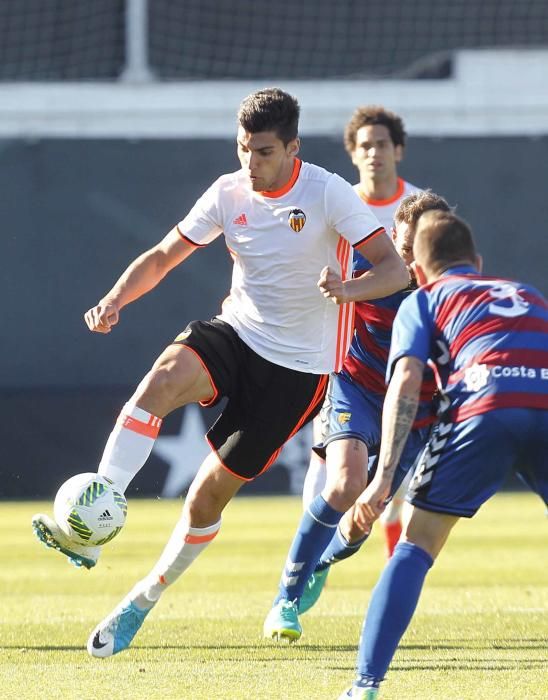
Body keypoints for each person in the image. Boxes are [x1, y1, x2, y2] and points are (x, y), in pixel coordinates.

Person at [31, 87, 409, 658]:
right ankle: (98, 512)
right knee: (161, 380)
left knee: (206, 499)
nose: (249, 164)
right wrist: (115, 299)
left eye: (262, 152)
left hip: (298, 373)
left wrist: (349, 288)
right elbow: (163, 256)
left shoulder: (329, 192)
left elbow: (395, 269)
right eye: (242, 150)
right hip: (237, 333)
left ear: (292, 148)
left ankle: (142, 600)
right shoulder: (228, 191)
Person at [338, 210, 548, 699]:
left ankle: (364, 688)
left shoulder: (424, 298)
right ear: (477, 261)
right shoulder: (530, 295)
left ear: (418, 271)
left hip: (483, 409)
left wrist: (383, 478)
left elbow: (406, 382)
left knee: (416, 545)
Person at [263, 191, 448, 642]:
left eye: (418, 251)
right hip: (358, 391)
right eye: (402, 248)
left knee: (367, 514)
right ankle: (283, 601)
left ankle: (319, 564)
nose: (408, 262)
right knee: (344, 485)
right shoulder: (368, 273)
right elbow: (319, 297)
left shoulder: (449, 296)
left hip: (415, 412)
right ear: (393, 238)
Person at [302, 105, 422, 558]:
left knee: (394, 486)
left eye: (382, 144)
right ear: (353, 154)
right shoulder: (340, 205)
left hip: (406, 365)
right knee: (329, 471)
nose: (374, 153)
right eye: (365, 146)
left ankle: (386, 557)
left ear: (399, 150)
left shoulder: (420, 210)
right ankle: (308, 561)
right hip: (344, 359)